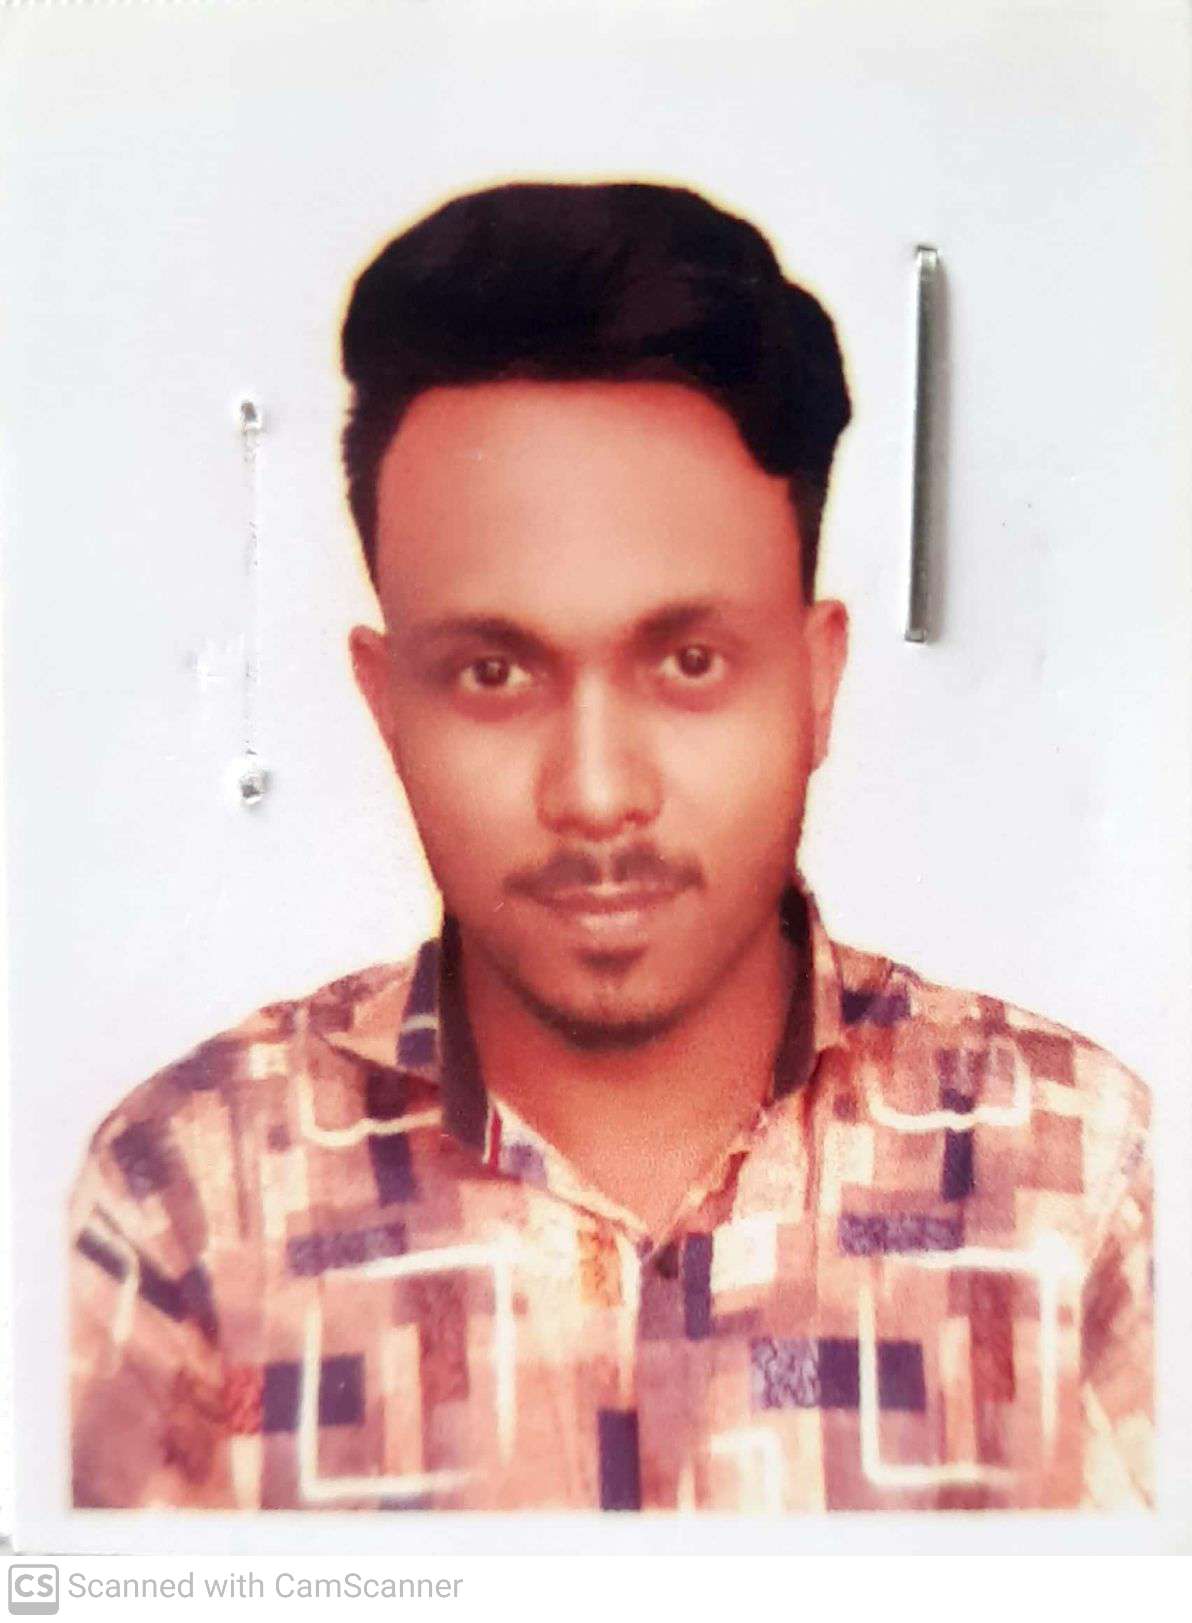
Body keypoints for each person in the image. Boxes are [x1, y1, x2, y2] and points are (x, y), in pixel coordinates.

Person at [70, 181, 1152, 1513]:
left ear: (817, 684)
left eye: (689, 661)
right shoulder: (187, 1199)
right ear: (386, 705)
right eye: (492, 673)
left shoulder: (1085, 1181)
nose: (594, 795)